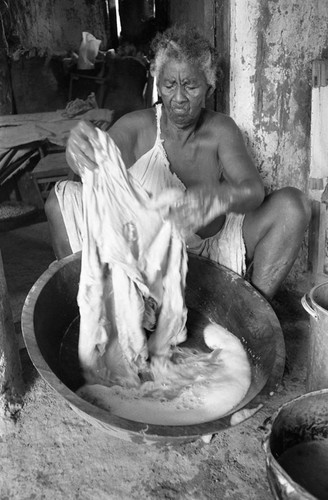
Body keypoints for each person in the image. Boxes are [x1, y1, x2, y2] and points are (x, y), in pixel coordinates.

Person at [45, 25, 311, 301]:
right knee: (61, 200)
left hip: (213, 253)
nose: (180, 98)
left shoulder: (221, 130)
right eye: (170, 85)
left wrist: (217, 198)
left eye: (191, 86)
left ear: (209, 87)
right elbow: (95, 161)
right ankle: (96, 307)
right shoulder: (138, 127)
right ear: (158, 85)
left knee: (293, 206)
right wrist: (77, 152)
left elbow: (254, 191)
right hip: (148, 260)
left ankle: (250, 313)